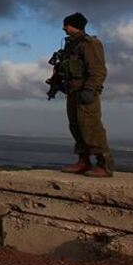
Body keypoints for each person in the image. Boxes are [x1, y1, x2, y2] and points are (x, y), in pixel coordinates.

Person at [50, 12, 114, 177]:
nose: (64, 28)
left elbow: (98, 70)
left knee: (90, 127)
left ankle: (104, 164)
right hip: (73, 91)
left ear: (74, 25)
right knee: (76, 127)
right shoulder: (71, 45)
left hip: (85, 91)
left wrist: (90, 89)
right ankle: (83, 161)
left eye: (66, 25)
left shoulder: (89, 44)